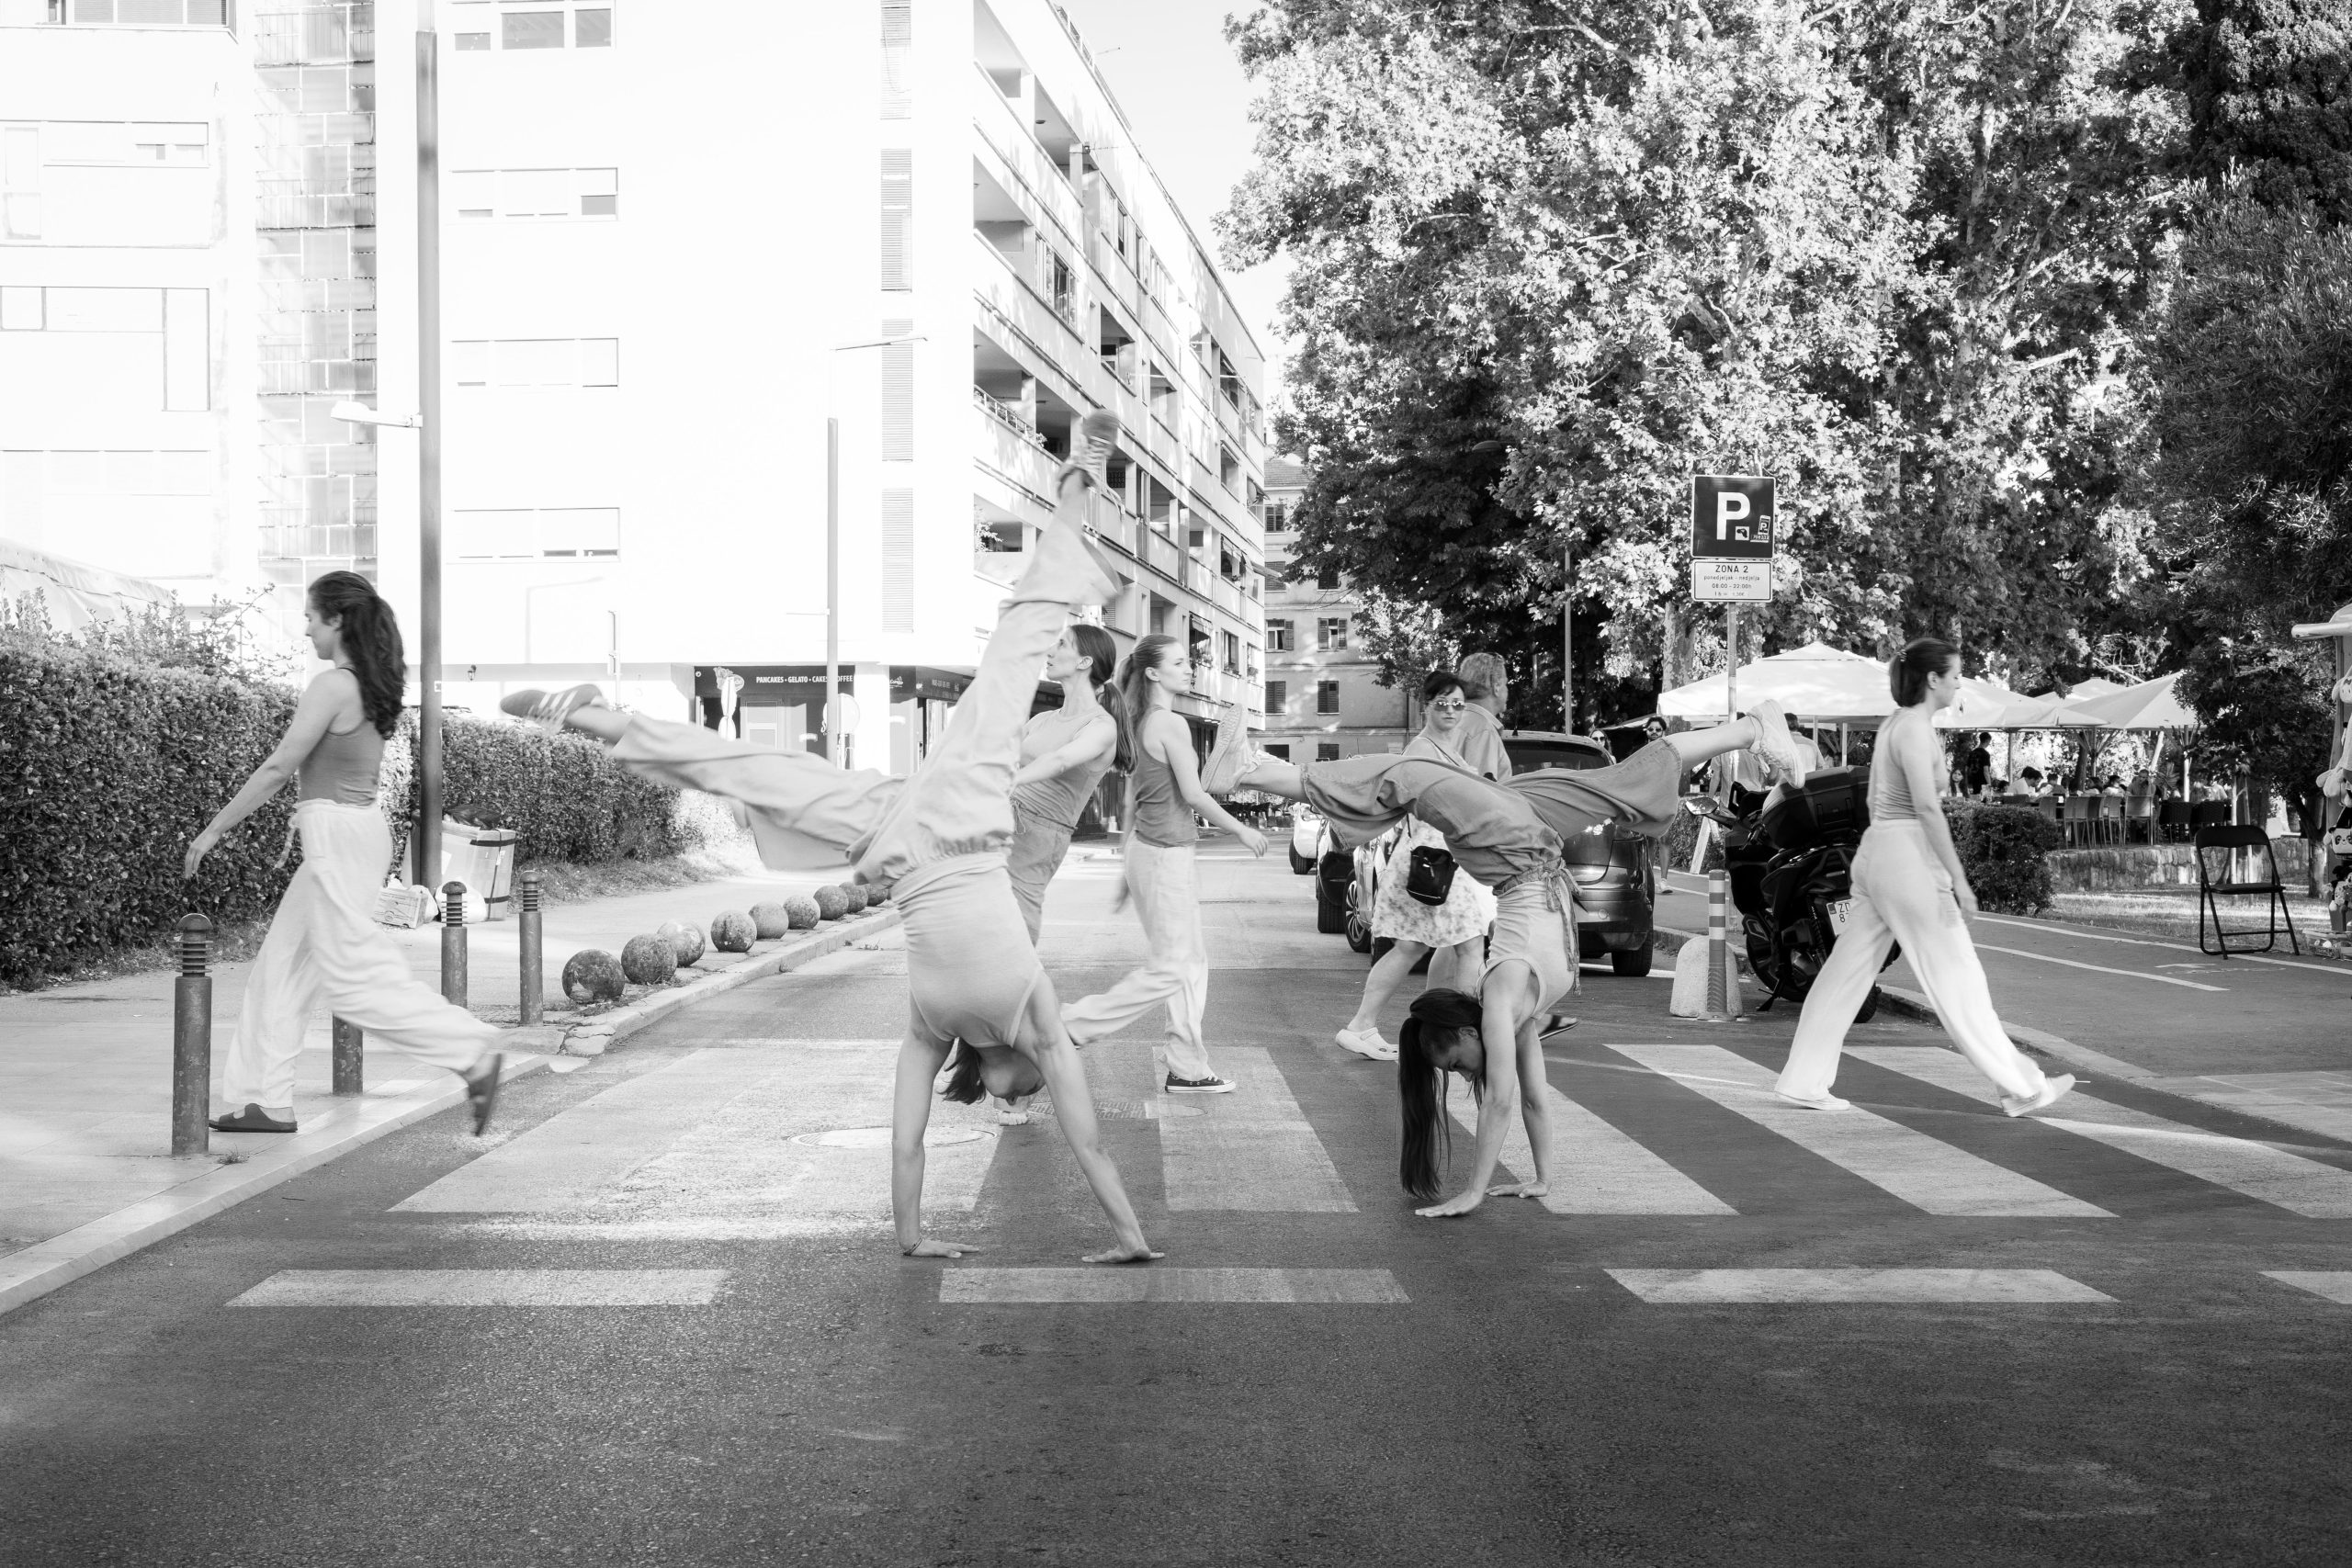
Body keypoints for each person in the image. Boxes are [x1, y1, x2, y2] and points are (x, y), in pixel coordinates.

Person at [502, 414, 1158, 1263]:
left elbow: (917, 1143)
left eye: (1009, 1097)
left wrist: (919, 1239)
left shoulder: (944, 1027)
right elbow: (1081, 1143)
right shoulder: (1018, 1020)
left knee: (766, 769)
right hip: (952, 820)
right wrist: (1126, 1239)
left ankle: (600, 718)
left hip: (910, 826)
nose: (1019, 1095)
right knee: (1007, 653)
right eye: (1025, 1094)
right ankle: (1079, 483)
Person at [1197, 694, 1809, 1215]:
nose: (1465, 1074)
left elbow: (1505, 1102)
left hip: (1518, 846)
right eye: (1458, 1071)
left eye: (1455, 1063)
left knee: (1414, 776)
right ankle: (1750, 728)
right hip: (1522, 846)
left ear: (1464, 1030)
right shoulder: (1512, 1013)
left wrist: (1484, 1189)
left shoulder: (1503, 1002)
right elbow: (1524, 1098)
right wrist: (1528, 1179)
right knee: (1459, 777)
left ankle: (1251, 770)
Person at [185, 571, 505, 1136]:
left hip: (337, 839)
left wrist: (212, 830)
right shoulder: (367, 684)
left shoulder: (333, 685)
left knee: (354, 981)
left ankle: (472, 1052)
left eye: (311, 618)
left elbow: (279, 767)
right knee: (281, 967)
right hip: (348, 835)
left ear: (337, 619)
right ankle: (264, 1100)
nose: (306, 630)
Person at [1774, 639, 2076, 1117]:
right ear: (1933, 679)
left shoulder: (1896, 724)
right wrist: (1958, 878)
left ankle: (1803, 1080)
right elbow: (1927, 809)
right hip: (1906, 859)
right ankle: (2022, 1086)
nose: (1959, 683)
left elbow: (1877, 803)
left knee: (1845, 974)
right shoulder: (1914, 729)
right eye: (1955, 675)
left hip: (1878, 853)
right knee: (1958, 977)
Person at [1057, 635, 1271, 1095]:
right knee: (1173, 967)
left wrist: (1126, 867)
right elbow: (1194, 794)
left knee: (1190, 964)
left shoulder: (1137, 720)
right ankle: (1072, 1025)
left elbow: (1133, 800)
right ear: (1153, 672)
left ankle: (1188, 1066)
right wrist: (1242, 830)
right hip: (1163, 854)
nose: (1190, 668)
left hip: (1152, 851)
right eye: (1179, 662)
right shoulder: (1169, 723)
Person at [988, 622, 1130, 1125]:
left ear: (1085, 661)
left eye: (1062, 645)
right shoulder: (1043, 718)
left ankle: (1035, 1063)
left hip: (1036, 839)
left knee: (1014, 960)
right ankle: (998, 1062)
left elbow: (1064, 759)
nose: (1051, 651)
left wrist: (1010, 781)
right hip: (999, 826)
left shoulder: (1101, 726)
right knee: (977, 950)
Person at [1334, 671, 1500, 1061]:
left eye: (1457, 704)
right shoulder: (1423, 749)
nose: (1450, 711)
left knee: (1415, 947)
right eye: (1442, 703)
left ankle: (1369, 1026)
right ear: (1426, 705)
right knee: (1468, 945)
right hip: (1434, 860)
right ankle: (1464, 1031)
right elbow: (1427, 803)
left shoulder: (1445, 747)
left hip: (1437, 860)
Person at [1961, 731, 1995, 796]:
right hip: (1984, 784)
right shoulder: (1985, 754)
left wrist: (1966, 782)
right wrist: (1989, 785)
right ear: (1987, 741)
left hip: (1974, 782)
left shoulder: (1972, 753)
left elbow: (1966, 769)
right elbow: (1986, 771)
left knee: (1976, 800)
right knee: (1985, 800)